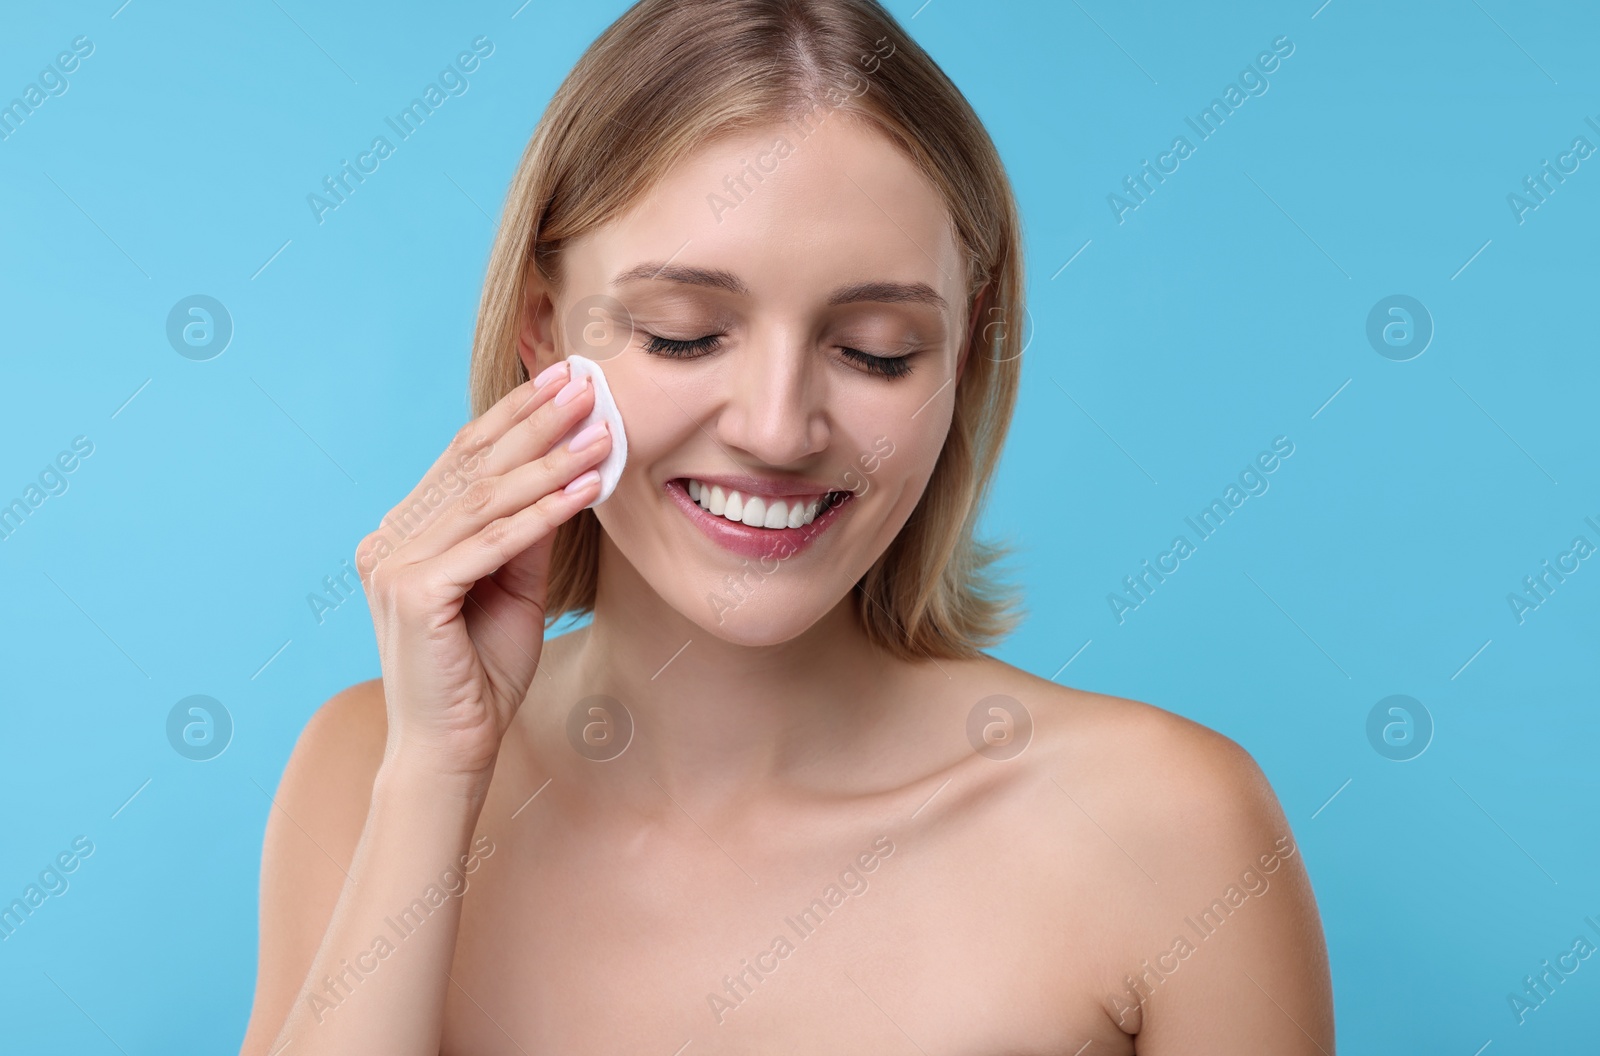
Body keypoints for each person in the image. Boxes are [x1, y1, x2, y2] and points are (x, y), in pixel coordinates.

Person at [238, 1, 1334, 1052]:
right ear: (541, 330)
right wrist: (434, 777)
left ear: (964, 353)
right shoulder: (370, 770)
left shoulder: (1173, 833)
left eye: (873, 350)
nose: (775, 429)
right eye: (681, 335)